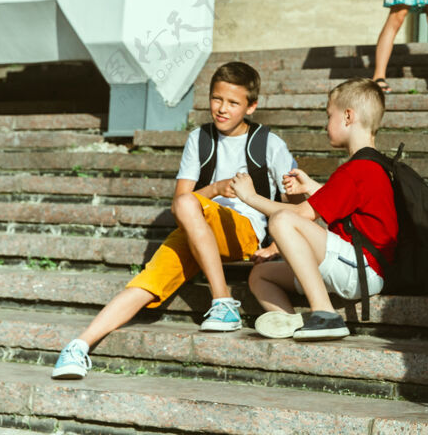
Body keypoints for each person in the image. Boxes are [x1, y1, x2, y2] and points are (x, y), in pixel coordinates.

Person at [51, 62, 295, 379]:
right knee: (147, 281)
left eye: (233, 103)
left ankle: (223, 302)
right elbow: (181, 200)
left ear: (251, 106)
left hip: (243, 234)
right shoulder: (199, 138)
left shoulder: (268, 143)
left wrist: (277, 245)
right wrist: (217, 188)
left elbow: (296, 204)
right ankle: (79, 347)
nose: (222, 109)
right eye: (217, 99)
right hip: (195, 228)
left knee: (190, 205)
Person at [232, 78, 398, 341]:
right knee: (261, 275)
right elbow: (349, 206)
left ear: (347, 116)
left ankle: (325, 313)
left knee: (283, 220)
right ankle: (295, 322)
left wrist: (250, 197)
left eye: (328, 115)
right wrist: (312, 187)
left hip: (361, 270)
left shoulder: (358, 169)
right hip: (353, 265)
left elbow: (298, 216)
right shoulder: (370, 166)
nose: (325, 124)